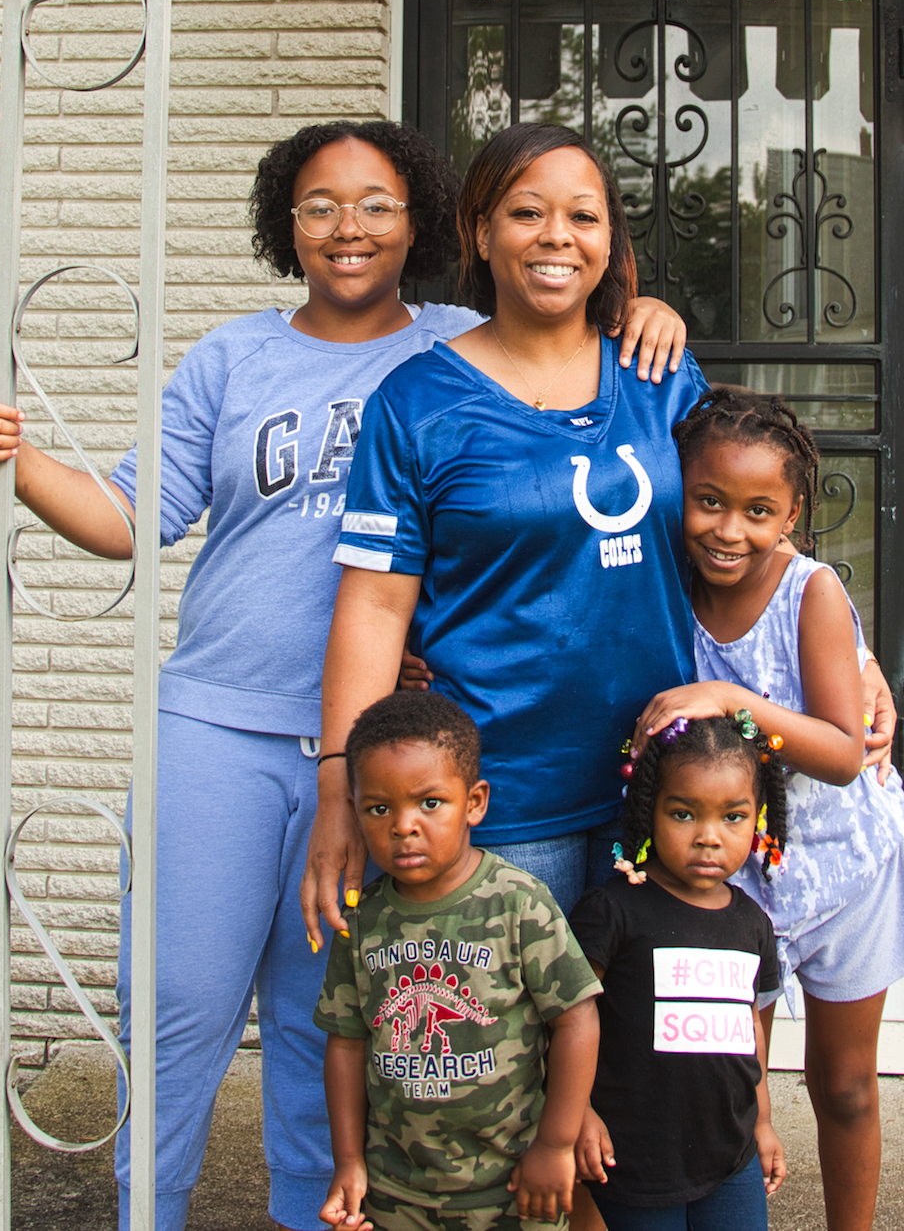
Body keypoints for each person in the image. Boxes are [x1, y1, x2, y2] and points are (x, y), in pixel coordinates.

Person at [0, 119, 685, 1231]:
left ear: (429, 222)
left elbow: (566, 285)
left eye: (377, 204)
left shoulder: (455, 341)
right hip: (225, 730)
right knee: (181, 1009)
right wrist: (19, 462)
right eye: (319, 207)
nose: (349, 227)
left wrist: (647, 305)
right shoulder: (233, 359)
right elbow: (128, 516)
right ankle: (145, 1213)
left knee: (331, 1026)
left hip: (391, 758)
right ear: (284, 226)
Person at [305, 121, 712, 941]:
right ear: (480, 232)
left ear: (609, 239)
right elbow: (376, 608)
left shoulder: (661, 376)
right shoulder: (415, 403)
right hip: (496, 802)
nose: (557, 236)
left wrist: (846, 660)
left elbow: (741, 545)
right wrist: (341, 789)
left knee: (644, 1064)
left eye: (583, 217)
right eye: (527, 213)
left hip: (660, 790)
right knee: (492, 1061)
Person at [632, 386, 904, 1231]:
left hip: (845, 869)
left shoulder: (812, 592)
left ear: (794, 512)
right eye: (710, 502)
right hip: (724, 878)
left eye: (760, 511)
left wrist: (732, 699)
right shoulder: (662, 582)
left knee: (844, 1084)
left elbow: (843, 753)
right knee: (724, 1091)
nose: (731, 530)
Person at [316, 692, 602, 1231]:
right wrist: (349, 1161)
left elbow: (577, 1020)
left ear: (474, 802)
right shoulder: (362, 922)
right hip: (396, 1190)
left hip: (515, 1187)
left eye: (429, 803)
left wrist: (556, 1143)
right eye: (380, 808)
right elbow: (347, 1042)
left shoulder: (521, 903)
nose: (404, 825)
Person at [568, 715, 787, 1231]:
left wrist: (765, 1121)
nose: (709, 838)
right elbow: (569, 1017)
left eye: (733, 817)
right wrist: (577, 1113)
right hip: (633, 1156)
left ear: (758, 819)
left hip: (729, 1154)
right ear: (649, 810)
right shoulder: (612, 911)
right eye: (684, 814)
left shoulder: (753, 923)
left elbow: (749, 1029)